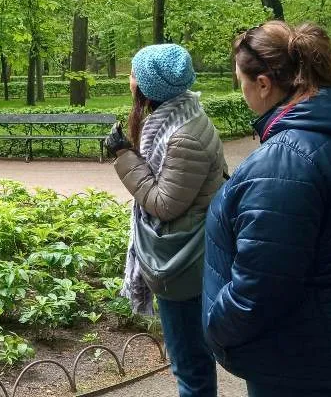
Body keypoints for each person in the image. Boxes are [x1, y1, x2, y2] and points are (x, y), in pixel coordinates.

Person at [202, 21, 331, 397]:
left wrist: (217, 324)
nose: (241, 91)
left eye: (240, 81)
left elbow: (262, 285)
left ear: (263, 84)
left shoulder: (286, 160)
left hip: (297, 356)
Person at [103, 43, 226, 397]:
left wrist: (124, 155)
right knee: (192, 361)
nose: (129, 79)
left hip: (183, 262)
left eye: (133, 74)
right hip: (189, 251)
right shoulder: (180, 117)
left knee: (190, 367)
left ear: (149, 86)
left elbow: (164, 203)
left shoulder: (182, 135)